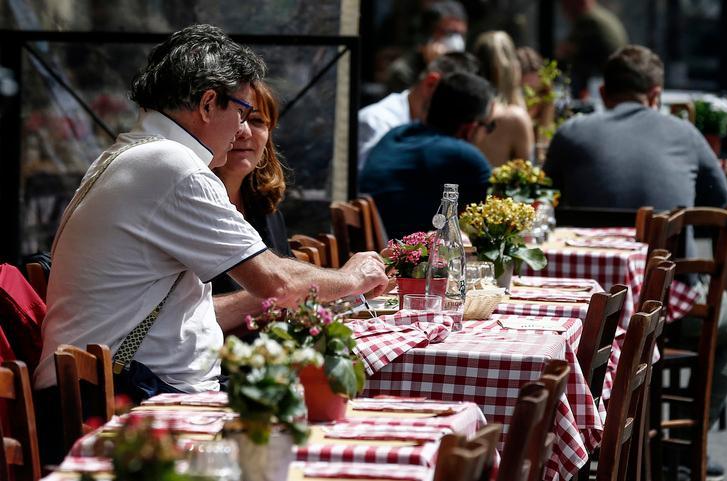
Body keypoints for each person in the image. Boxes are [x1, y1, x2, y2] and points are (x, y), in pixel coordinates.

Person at [33, 24, 388, 464]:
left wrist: (289, 296)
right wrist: (351, 278)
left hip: (133, 389)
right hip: (127, 402)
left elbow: (181, 313)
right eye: (241, 111)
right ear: (206, 103)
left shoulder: (137, 151)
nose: (242, 129)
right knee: (325, 447)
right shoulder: (173, 165)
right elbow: (277, 283)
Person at [544, 45, 727, 478]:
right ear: (655, 94)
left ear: (603, 91)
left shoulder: (571, 133)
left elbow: (548, 211)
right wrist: (717, 292)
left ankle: (580, 439)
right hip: (665, 304)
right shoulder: (685, 133)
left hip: (582, 309)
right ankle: (683, 447)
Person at [359, 72, 494, 239]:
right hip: (404, 258)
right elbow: (492, 225)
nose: (487, 134)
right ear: (470, 128)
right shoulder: (463, 155)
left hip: (377, 251)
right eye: (489, 126)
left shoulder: (396, 134)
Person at [211, 81, 291, 295]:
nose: (244, 132)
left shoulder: (265, 207)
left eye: (256, 120)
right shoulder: (191, 203)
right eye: (235, 117)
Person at [358, 52, 479, 172]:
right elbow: (368, 187)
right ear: (431, 83)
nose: (456, 115)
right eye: (454, 103)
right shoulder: (377, 122)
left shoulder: (433, 131)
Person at [471, 30, 534, 166]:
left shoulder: (458, 113)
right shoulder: (515, 118)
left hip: (456, 187)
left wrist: (451, 189)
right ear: (512, 68)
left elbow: (449, 177)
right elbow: (526, 180)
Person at [385, 1, 469, 93]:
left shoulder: (469, 66)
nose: (456, 40)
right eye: (449, 33)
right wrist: (435, 69)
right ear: (428, 35)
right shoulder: (403, 72)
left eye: (461, 33)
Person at [557, 0, 628, 98]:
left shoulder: (589, 19)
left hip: (606, 77)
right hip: (612, 73)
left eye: (566, 5)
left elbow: (568, 51)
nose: (564, 10)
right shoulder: (598, 15)